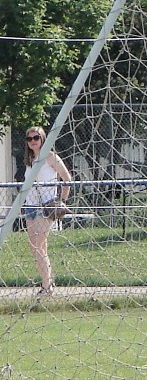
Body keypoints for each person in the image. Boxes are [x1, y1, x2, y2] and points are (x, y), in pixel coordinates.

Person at [22, 126, 72, 296]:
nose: (33, 141)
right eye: (29, 139)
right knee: (36, 247)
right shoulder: (30, 160)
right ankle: (47, 282)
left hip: (47, 205)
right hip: (31, 205)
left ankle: (46, 286)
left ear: (42, 139)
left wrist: (61, 201)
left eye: (36, 138)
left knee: (38, 244)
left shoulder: (50, 157)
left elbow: (66, 178)